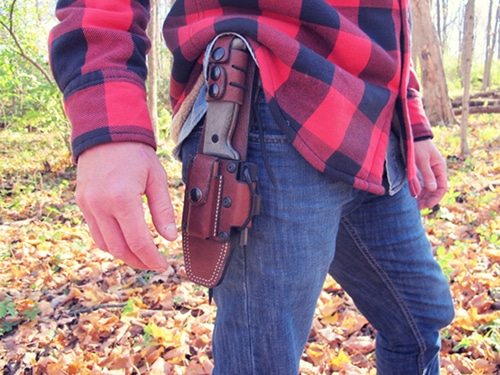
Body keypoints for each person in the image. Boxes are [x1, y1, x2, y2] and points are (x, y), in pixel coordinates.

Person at [49, 1, 455, 374]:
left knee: (420, 319)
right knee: (261, 362)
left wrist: (414, 124)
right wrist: (108, 124)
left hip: (376, 127)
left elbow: (391, 21)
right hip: (267, 98)